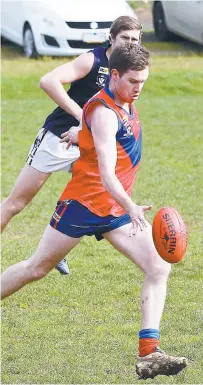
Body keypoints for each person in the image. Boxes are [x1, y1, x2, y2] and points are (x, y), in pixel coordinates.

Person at [1, 44, 187, 379]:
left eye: (144, 81)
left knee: (158, 266)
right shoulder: (105, 112)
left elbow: (97, 133)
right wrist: (131, 206)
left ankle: (149, 352)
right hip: (85, 205)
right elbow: (105, 172)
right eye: (133, 81)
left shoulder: (124, 100)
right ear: (114, 75)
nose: (139, 88)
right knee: (36, 268)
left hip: (114, 208)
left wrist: (79, 132)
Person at [0, 16, 142, 276]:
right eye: (125, 38)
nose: (129, 44)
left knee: (93, 193)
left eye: (135, 39)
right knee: (16, 203)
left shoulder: (131, 71)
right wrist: (83, 117)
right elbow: (48, 81)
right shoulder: (93, 60)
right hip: (59, 138)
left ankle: (56, 248)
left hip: (87, 142)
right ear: (112, 37)